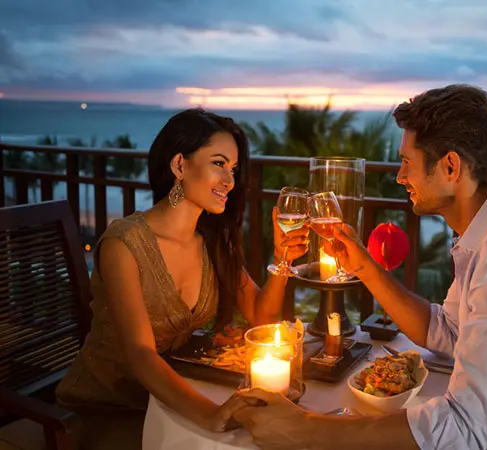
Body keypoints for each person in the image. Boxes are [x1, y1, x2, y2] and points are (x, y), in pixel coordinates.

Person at [231, 85, 487, 450]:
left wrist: (305, 431)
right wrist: (366, 267)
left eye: (407, 163)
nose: (398, 177)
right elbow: (449, 334)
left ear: (450, 167)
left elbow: (461, 428)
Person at [55, 108, 309, 449]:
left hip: (171, 396)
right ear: (179, 165)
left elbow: (262, 317)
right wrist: (210, 414)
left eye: (233, 169)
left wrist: (282, 260)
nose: (230, 182)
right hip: (107, 407)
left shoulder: (211, 240)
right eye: (218, 163)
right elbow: (141, 353)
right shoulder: (124, 244)